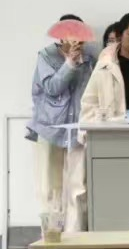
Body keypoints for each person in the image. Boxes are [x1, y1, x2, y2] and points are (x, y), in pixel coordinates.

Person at [28, 15, 96, 227]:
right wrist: (69, 64)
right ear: (61, 36)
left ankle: (76, 236)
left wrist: (79, 61)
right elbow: (52, 88)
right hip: (49, 128)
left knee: (78, 187)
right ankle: (52, 236)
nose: (76, 40)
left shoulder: (89, 60)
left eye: (80, 36)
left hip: (78, 129)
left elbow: (89, 94)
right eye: (71, 35)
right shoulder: (46, 57)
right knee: (50, 188)